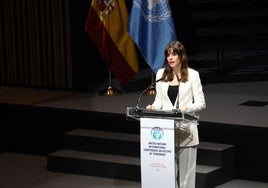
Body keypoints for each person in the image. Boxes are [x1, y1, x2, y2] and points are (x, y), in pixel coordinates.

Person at [146, 41, 206, 188]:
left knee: (186, 179)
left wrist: (186, 107)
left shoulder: (193, 75)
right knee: (167, 177)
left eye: (174, 54)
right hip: (166, 133)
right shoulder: (161, 74)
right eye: (168, 55)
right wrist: (153, 107)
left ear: (181, 56)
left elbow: (201, 103)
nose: (170, 58)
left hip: (187, 132)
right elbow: (159, 100)